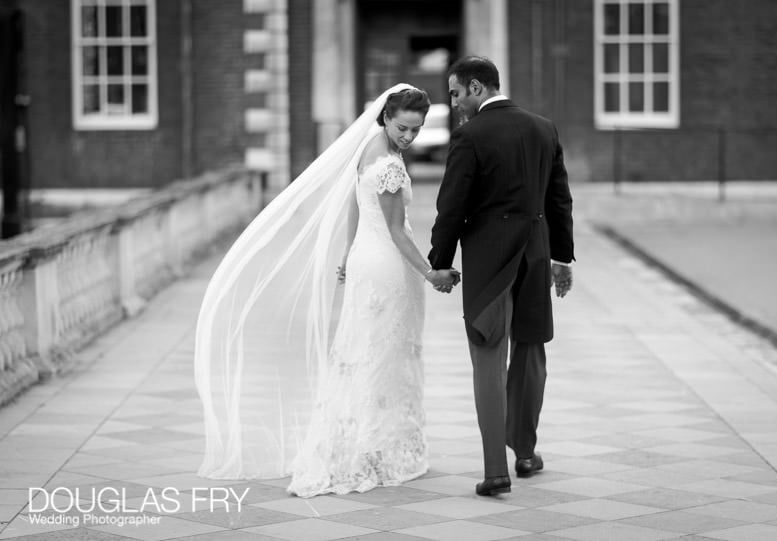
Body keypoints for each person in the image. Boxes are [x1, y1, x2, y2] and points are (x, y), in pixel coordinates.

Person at [194, 84, 458, 497]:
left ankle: (372, 445)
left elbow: (356, 204)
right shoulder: (387, 162)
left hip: (366, 260)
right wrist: (430, 273)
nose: (409, 137)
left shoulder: (370, 148)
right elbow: (394, 231)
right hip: (387, 265)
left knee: (364, 352)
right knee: (383, 355)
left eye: (417, 130)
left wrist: (349, 254)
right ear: (386, 118)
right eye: (404, 128)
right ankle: (374, 451)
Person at [428, 56, 575, 496]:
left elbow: (451, 206)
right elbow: (559, 200)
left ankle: (497, 471)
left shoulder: (470, 135)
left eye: (455, 93)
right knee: (530, 354)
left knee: (489, 358)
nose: (453, 103)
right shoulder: (543, 128)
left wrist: (439, 261)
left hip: (489, 260)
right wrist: (562, 258)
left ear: (476, 87)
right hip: (534, 250)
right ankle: (526, 455)